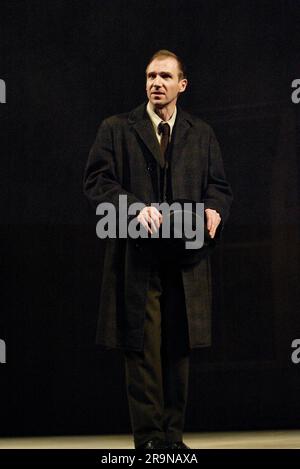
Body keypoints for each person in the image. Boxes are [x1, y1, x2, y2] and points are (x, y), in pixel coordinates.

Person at [83, 49, 233, 450]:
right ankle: (150, 440)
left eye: (166, 77)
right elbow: (97, 183)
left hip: (186, 258)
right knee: (142, 349)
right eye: (151, 76)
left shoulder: (201, 133)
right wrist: (134, 207)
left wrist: (216, 209)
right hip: (138, 257)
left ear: (181, 84)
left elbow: (218, 186)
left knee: (178, 347)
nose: (156, 83)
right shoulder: (116, 128)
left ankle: (172, 437)